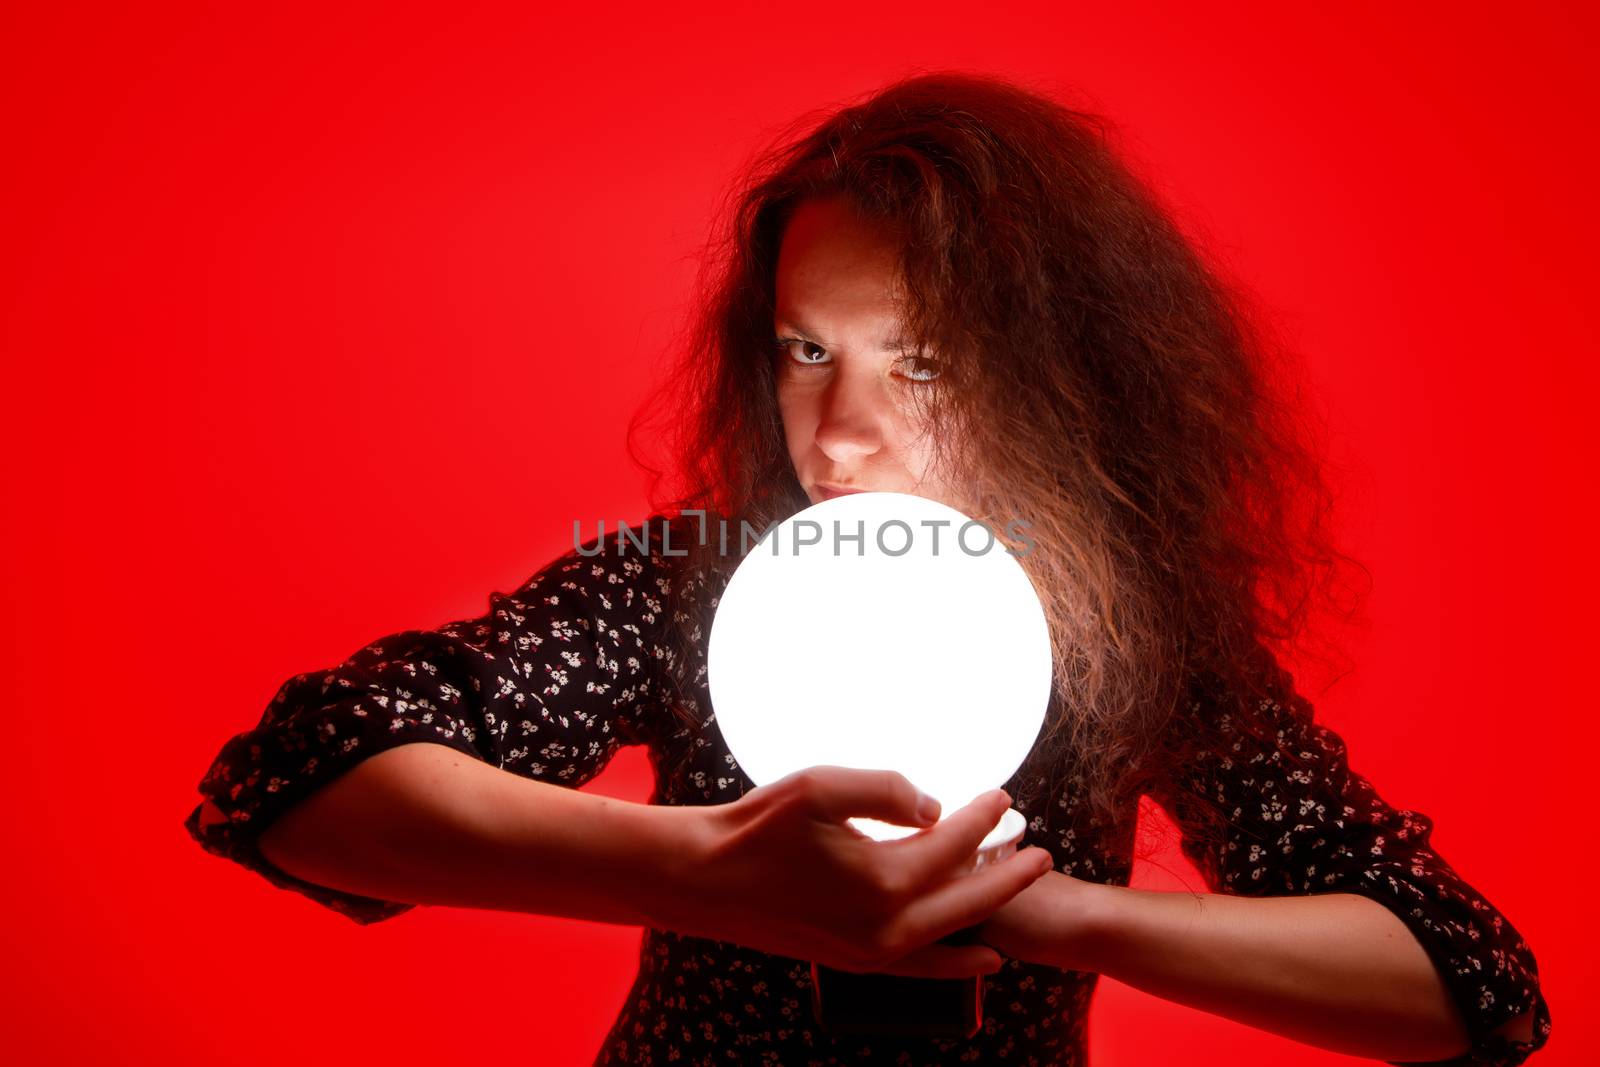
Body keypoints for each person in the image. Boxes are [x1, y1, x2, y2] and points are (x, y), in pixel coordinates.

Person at [184, 71, 1551, 1065]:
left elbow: (1466, 987)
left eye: (927, 363)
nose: (839, 434)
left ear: (1058, 375)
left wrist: (1051, 915)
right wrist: (696, 870)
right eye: (807, 350)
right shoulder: (699, 586)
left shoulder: (1136, 633)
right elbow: (296, 780)